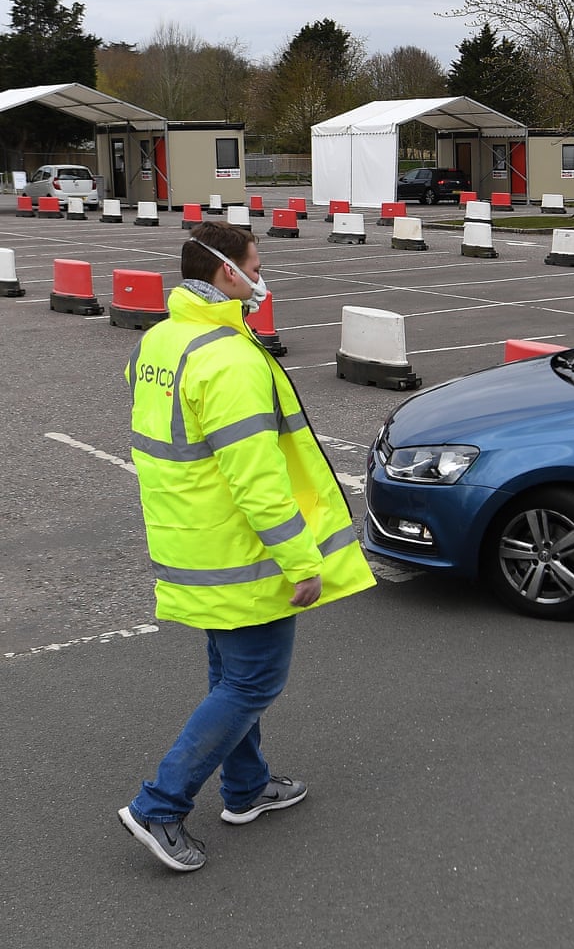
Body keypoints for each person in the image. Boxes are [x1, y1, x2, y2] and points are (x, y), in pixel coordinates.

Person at [117, 221, 376, 872]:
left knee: (231, 676)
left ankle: (246, 787)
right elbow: (257, 482)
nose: (261, 276)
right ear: (227, 273)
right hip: (241, 555)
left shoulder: (161, 341)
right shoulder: (229, 359)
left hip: (191, 542)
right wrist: (301, 561)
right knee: (254, 680)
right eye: (254, 264)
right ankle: (159, 805)